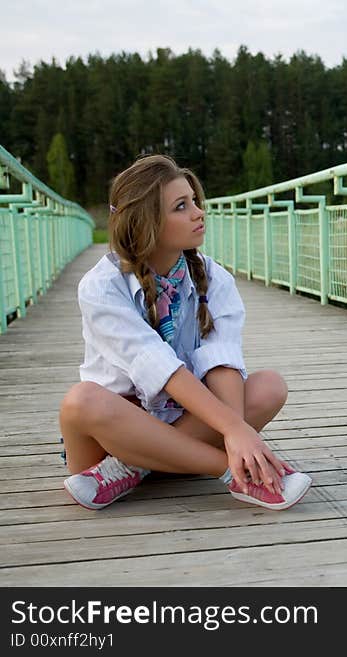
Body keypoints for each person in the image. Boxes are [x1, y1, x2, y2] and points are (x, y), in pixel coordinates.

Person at [58, 154, 311, 511]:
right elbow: (159, 367)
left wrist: (235, 428)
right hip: (110, 440)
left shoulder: (213, 276)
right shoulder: (101, 286)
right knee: (81, 401)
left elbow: (221, 360)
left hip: (182, 422)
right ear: (147, 222)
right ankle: (232, 472)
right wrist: (234, 435)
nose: (198, 213)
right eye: (181, 206)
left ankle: (131, 470)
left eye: (194, 201)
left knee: (270, 386)